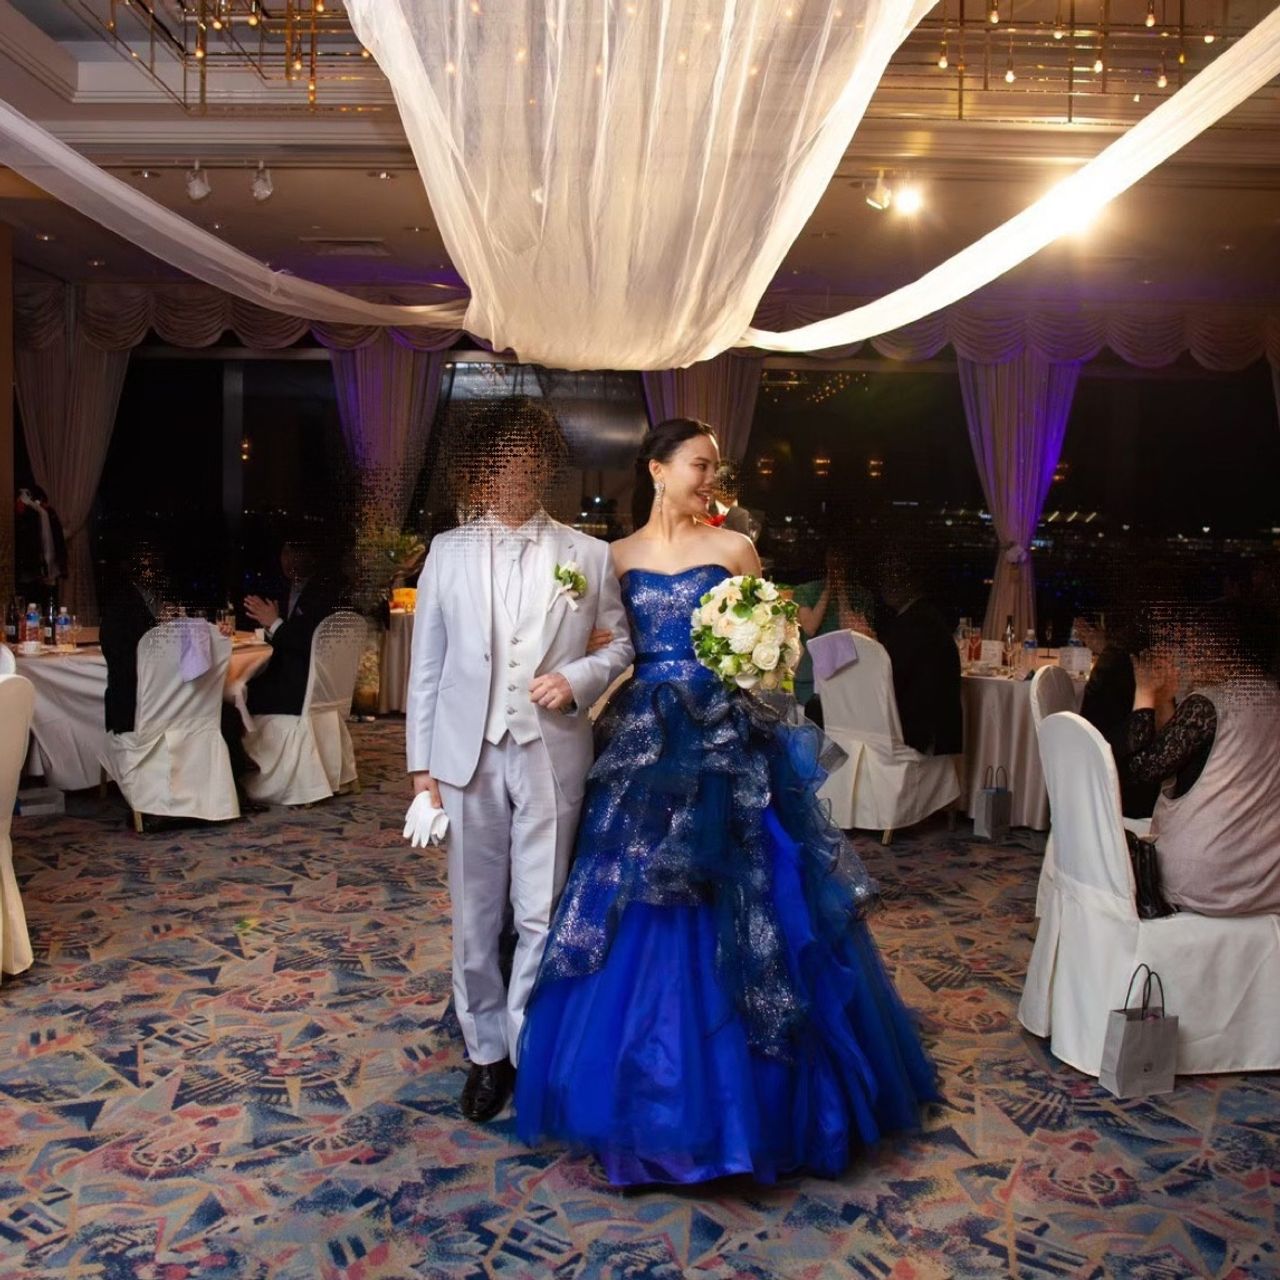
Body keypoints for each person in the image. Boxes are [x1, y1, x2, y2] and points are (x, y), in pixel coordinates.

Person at [515, 417, 937, 1186]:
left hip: (728, 737)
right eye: (699, 465)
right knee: (638, 896)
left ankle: (761, 1106)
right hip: (648, 738)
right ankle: (647, 1099)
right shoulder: (614, 558)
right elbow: (609, 649)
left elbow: (779, 660)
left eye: (715, 468)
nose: (710, 479)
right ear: (657, 469)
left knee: (755, 892)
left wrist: (754, 664)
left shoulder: (736, 549)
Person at [406, 398, 634, 1124]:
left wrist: (578, 679)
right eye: (501, 460)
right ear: (480, 468)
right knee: (475, 913)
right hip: (465, 756)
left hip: (551, 749)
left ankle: (527, 1044)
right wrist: (421, 770)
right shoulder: (447, 551)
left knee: (541, 908)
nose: (515, 473)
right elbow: (427, 666)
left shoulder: (586, 554)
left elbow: (619, 645)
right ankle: (484, 1053)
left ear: (544, 467)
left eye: (529, 459)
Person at [1120, 602, 1280, 917]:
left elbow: (1141, 770)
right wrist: (1166, 699)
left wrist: (1145, 694)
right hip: (1267, 878)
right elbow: (1185, 755)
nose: (1185, 655)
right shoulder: (1271, 694)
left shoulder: (1208, 704)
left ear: (1218, 649)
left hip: (1208, 880)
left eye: (1191, 643)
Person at [1075, 611, 1160, 820]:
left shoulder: (1114, 656)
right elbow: (1141, 741)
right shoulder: (1134, 664)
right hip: (1120, 785)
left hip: (1093, 771)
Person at [875, 554, 962, 757]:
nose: (888, 584)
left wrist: (869, 648)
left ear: (913, 582)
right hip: (935, 726)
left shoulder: (915, 624)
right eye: (886, 576)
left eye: (896, 575)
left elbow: (890, 676)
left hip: (921, 734)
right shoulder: (923, 616)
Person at [242, 537, 339, 717]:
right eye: (285, 552)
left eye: (295, 552)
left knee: (241, 694)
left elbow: (310, 640)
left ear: (311, 556)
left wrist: (275, 623)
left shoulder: (324, 591)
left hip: (305, 685)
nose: (288, 559)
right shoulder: (283, 588)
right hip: (286, 675)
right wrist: (270, 626)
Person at [793, 534, 875, 720]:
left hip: (846, 675)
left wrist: (841, 590)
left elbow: (850, 629)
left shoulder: (861, 596)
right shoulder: (805, 591)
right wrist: (829, 589)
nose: (837, 561)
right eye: (833, 555)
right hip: (810, 678)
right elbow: (810, 628)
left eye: (842, 556)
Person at [14, 485, 67, 605]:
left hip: (35, 569)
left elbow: (49, 543)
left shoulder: (41, 514)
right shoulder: (34, 515)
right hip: (31, 569)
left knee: (39, 600)